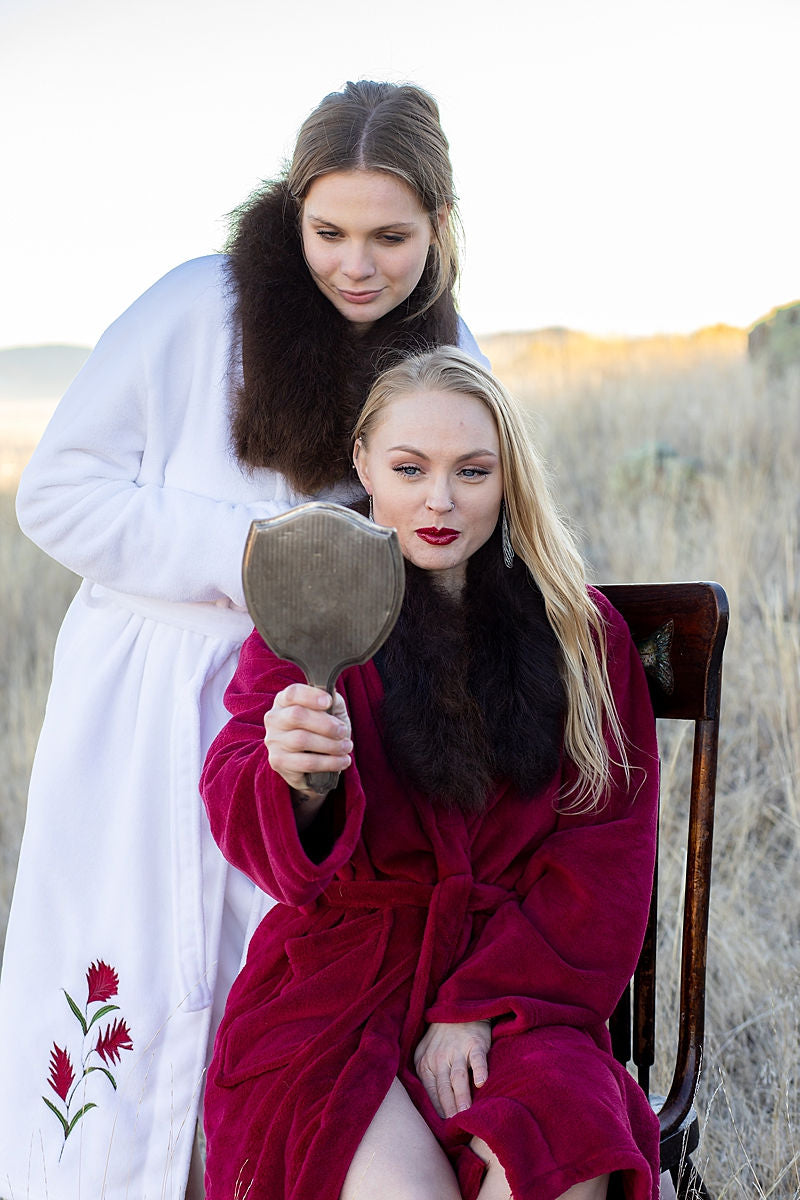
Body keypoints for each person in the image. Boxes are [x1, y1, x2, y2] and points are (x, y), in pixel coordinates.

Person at [0, 82, 488, 1200]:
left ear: (440, 227)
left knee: (266, 998)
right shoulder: (193, 309)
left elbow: (465, 526)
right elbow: (57, 495)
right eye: (328, 232)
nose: (356, 266)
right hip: (146, 702)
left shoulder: (448, 346)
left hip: (324, 718)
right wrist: (266, 556)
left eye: (390, 237)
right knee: (127, 997)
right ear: (291, 211)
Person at [199, 347, 662, 1200]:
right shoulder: (313, 609)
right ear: (363, 465)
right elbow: (234, 800)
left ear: (508, 475)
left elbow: (606, 860)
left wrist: (478, 1003)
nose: (440, 500)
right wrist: (297, 780)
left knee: (559, 1161)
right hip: (335, 994)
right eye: (410, 468)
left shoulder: (582, 635)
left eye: (472, 471)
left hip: (523, 990)